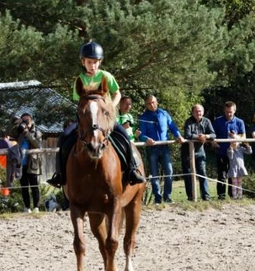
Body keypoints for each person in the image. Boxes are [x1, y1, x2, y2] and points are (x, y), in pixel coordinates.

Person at [46, 41, 145, 188]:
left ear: (100, 62)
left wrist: (111, 105)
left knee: (124, 135)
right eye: (89, 62)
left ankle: (132, 170)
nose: (92, 65)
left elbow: (117, 93)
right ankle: (60, 174)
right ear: (83, 62)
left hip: (105, 120)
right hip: (87, 120)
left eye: (95, 62)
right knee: (65, 137)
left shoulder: (106, 76)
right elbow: (79, 102)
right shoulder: (79, 80)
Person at [138, 94, 185, 204]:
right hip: (152, 148)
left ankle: (167, 196)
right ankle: (157, 198)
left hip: (164, 147)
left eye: (153, 102)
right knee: (155, 174)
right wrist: (146, 139)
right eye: (149, 103)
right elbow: (141, 134)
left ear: (157, 102)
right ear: (146, 105)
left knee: (169, 171)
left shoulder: (164, 114)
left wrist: (178, 136)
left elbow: (172, 127)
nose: (151, 105)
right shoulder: (143, 117)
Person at [181, 104, 216, 201]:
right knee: (188, 175)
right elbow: (187, 135)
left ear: (203, 112)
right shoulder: (188, 122)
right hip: (187, 153)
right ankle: (191, 197)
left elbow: (213, 134)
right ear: (192, 112)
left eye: (200, 111)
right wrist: (198, 137)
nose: (198, 113)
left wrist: (206, 136)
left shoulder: (207, 121)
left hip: (200, 152)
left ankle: (206, 196)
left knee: (202, 173)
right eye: (196, 111)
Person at [9, 112, 42, 213]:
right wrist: (16, 124)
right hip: (20, 162)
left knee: (34, 185)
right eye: (24, 120)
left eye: (27, 120)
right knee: (24, 186)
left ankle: (36, 206)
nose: (25, 123)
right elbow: (9, 134)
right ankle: (27, 207)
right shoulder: (19, 130)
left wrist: (27, 133)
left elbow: (36, 144)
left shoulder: (37, 131)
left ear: (31, 120)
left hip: (32, 162)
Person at [212, 101, 246, 200]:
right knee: (222, 174)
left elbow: (243, 136)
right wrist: (213, 142)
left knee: (233, 175)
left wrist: (237, 139)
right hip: (221, 151)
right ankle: (221, 196)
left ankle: (233, 195)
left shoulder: (239, 122)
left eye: (231, 112)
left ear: (234, 110)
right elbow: (212, 134)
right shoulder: (218, 121)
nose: (229, 114)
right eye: (227, 112)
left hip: (235, 153)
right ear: (224, 110)